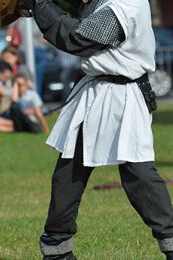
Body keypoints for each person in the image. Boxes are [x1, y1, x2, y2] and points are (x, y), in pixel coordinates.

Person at [21, 0, 173, 258]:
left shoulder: (127, 4)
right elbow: (76, 14)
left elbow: (77, 37)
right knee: (68, 172)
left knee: (139, 175)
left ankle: (171, 241)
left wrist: (39, 4)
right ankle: (57, 248)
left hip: (124, 95)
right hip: (94, 93)